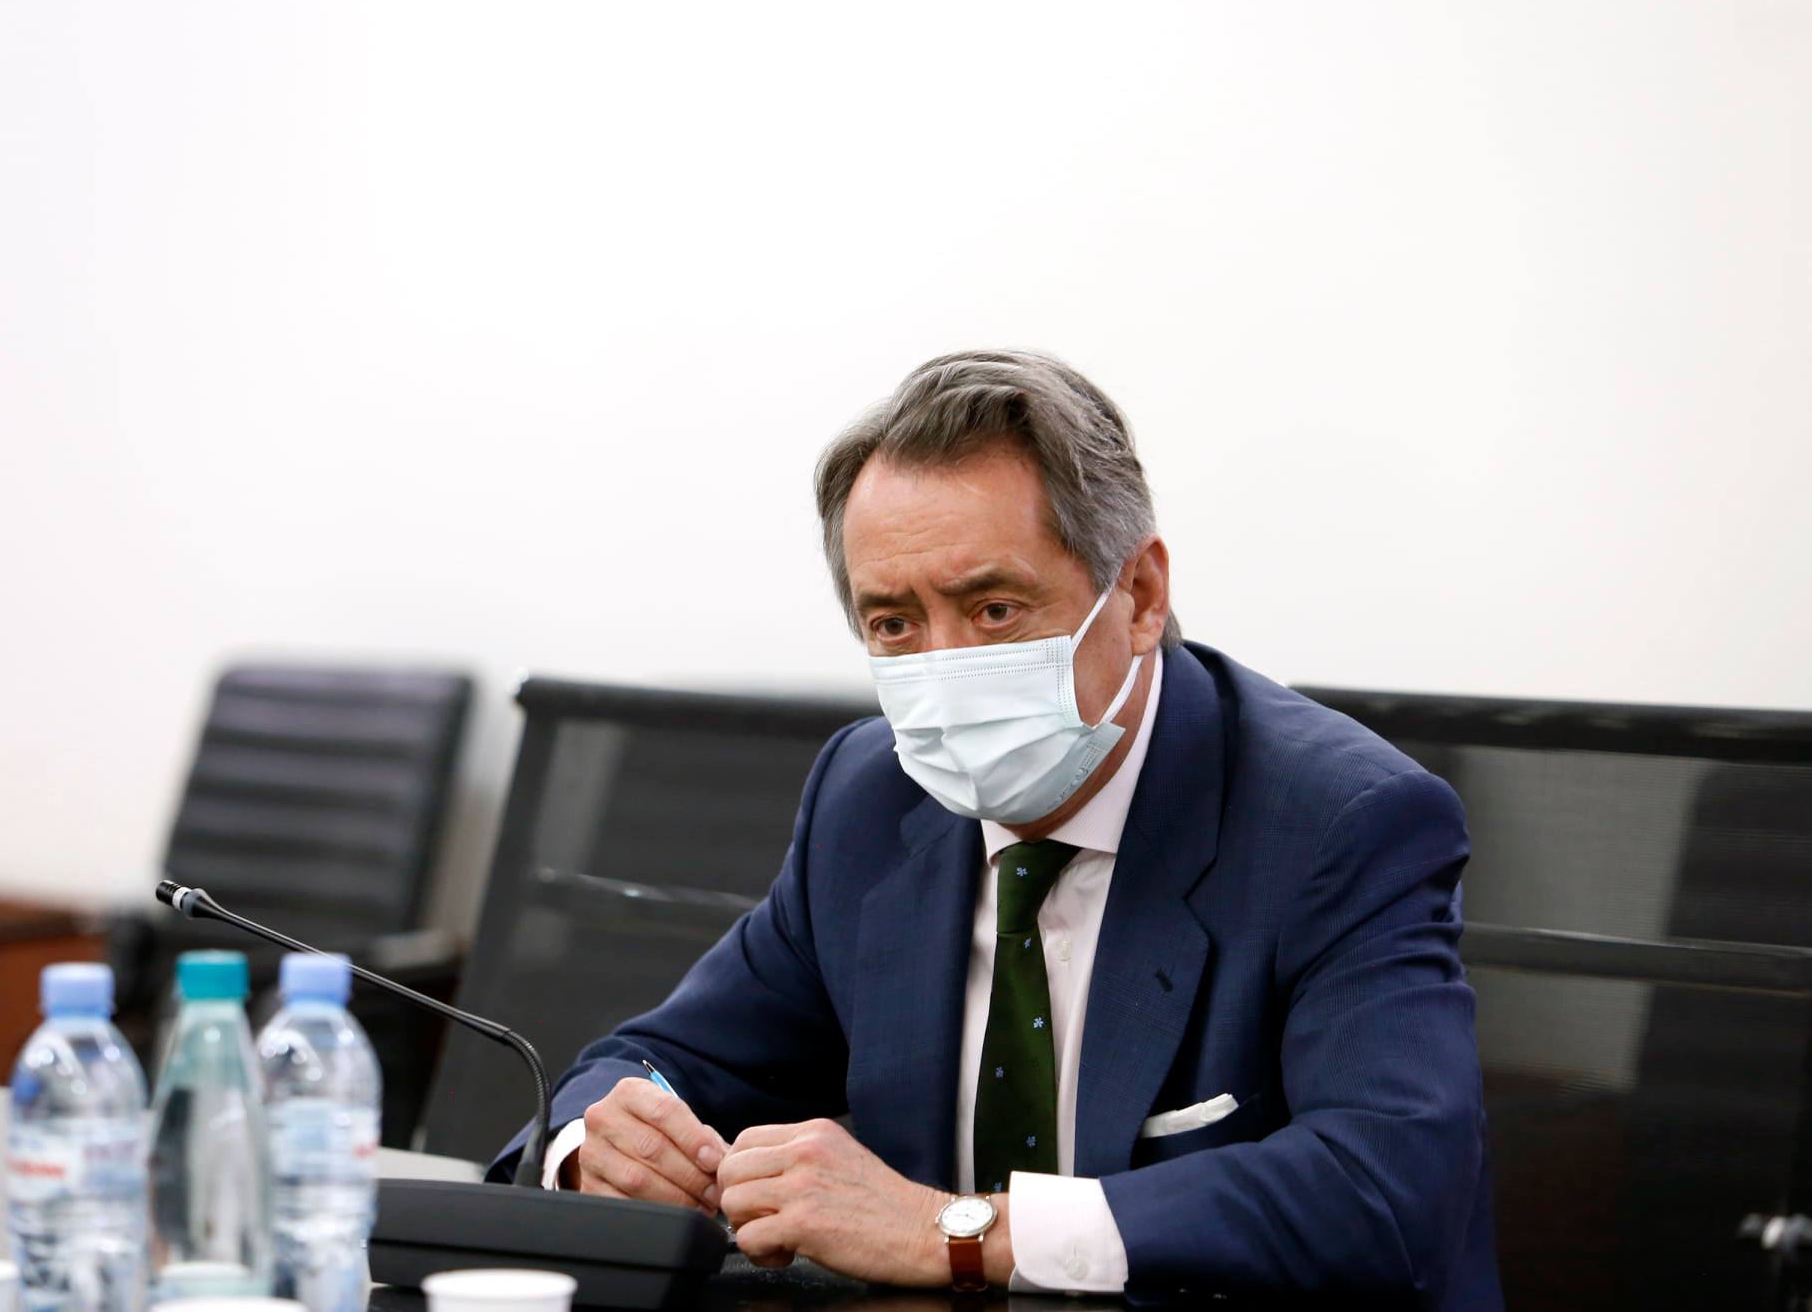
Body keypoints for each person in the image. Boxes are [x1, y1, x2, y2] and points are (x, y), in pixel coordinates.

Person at [491, 350, 1501, 1307]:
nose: (943, 669)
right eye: (895, 623)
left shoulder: (1338, 823)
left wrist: (956, 1233)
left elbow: (1388, 1188)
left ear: (1140, 596)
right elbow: (660, 1060)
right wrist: (596, 1145)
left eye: (994, 609)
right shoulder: (868, 798)